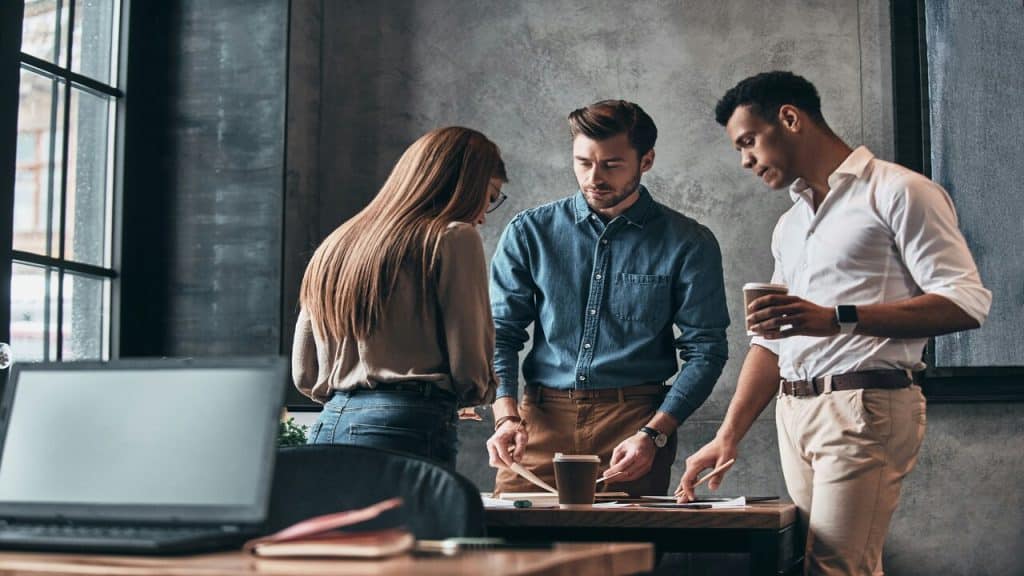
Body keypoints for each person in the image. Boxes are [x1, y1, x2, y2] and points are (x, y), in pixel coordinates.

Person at [678, 71, 991, 575]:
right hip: (794, 412)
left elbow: (966, 302)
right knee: (815, 565)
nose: (745, 161)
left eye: (748, 142)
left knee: (836, 568)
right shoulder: (791, 224)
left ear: (790, 118)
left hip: (866, 405)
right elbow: (769, 342)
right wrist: (729, 434)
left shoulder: (900, 191)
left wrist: (837, 318)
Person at [486, 100, 729, 496]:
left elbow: (707, 350)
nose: (594, 177)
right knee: (513, 550)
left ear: (645, 160)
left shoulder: (689, 242)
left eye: (611, 165)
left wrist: (655, 434)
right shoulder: (530, 232)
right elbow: (501, 335)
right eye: (583, 162)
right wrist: (505, 418)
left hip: (633, 426)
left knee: (624, 554)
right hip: (538, 423)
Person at [292, 126, 508, 467]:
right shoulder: (453, 237)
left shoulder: (336, 244)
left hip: (329, 424)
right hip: (406, 426)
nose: (483, 214)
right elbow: (469, 362)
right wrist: (470, 392)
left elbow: (304, 372)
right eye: (490, 197)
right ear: (463, 185)